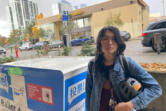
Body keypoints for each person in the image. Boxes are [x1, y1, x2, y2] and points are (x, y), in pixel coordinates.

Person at [86, 26, 162, 111]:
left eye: (114, 39)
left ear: (118, 42)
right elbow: (89, 94)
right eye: (105, 38)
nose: (110, 42)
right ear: (100, 42)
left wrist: (131, 104)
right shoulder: (93, 65)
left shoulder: (126, 63)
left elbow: (155, 88)